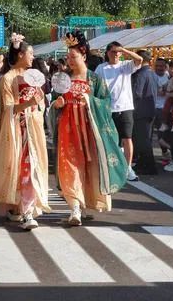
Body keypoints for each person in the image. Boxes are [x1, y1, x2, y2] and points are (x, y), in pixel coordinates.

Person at [51, 32, 128, 226]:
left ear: (84, 56)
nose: (70, 61)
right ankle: (75, 209)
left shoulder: (95, 79)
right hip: (68, 129)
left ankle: (85, 202)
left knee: (89, 167)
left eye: (73, 57)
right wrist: (58, 104)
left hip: (90, 129)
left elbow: (106, 103)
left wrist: (89, 100)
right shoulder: (63, 79)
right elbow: (54, 101)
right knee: (70, 166)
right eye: (68, 57)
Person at [0, 34, 51, 231]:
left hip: (32, 128)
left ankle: (25, 210)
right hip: (16, 129)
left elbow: (40, 104)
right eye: (30, 53)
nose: (32, 57)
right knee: (20, 168)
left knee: (31, 167)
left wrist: (37, 102)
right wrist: (28, 103)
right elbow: (9, 108)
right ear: (20, 54)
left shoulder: (32, 76)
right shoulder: (7, 79)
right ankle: (22, 209)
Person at [94, 42, 143, 182]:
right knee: (110, 139)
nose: (116, 54)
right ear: (107, 53)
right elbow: (95, 85)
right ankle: (111, 168)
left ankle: (128, 168)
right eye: (113, 52)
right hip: (108, 108)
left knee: (127, 138)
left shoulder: (125, 66)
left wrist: (124, 50)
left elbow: (139, 60)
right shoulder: (101, 68)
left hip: (125, 107)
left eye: (118, 52)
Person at [131, 50, 158, 175]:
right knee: (146, 139)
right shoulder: (152, 73)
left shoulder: (140, 74)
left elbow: (136, 93)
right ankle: (143, 163)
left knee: (143, 140)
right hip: (150, 110)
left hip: (140, 110)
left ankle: (150, 166)